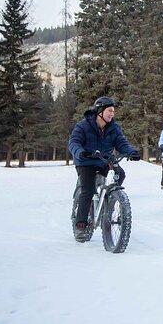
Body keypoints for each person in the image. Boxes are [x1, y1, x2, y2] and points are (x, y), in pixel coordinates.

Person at [68, 96, 140, 242]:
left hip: (104, 161)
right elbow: (74, 142)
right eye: (110, 110)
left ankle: (111, 201)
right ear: (100, 111)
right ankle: (80, 225)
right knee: (88, 190)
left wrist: (131, 152)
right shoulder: (83, 126)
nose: (112, 114)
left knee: (120, 173)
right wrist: (80, 152)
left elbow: (122, 143)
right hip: (86, 161)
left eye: (113, 111)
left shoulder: (114, 128)